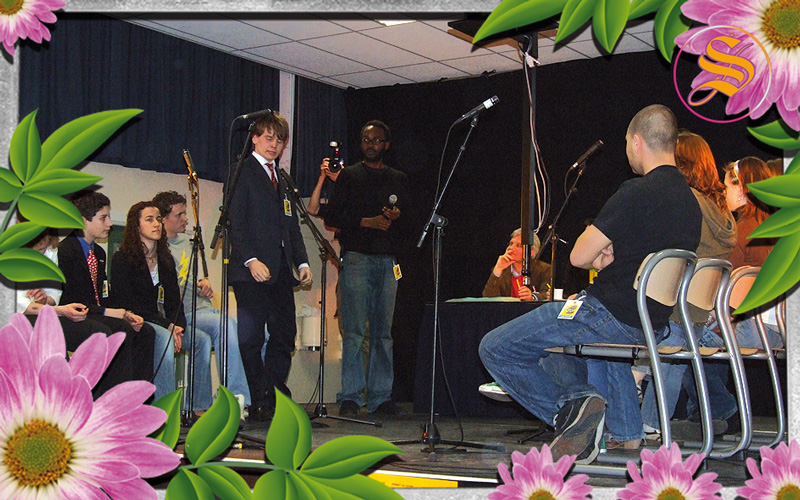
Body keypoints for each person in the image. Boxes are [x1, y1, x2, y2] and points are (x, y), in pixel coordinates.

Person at [479, 104, 702, 464]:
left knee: (495, 347)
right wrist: (610, 255)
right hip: (650, 320)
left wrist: (595, 254)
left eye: (627, 144)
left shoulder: (635, 192)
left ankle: (571, 412)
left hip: (607, 312)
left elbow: (578, 257)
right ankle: (626, 433)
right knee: (599, 346)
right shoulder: (690, 203)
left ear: (637, 141)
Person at [638, 131, 738, 437]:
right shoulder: (722, 211)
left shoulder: (686, 201)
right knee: (680, 346)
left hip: (675, 305)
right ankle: (720, 410)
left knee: (662, 348)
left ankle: (648, 424)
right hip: (700, 311)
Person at [228, 111, 312, 422]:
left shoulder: (283, 179)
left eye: (279, 140)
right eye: (268, 138)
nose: (274, 144)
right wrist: (251, 260)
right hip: (251, 272)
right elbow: (234, 224)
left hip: (280, 271)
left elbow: (292, 226)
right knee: (251, 339)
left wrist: (302, 261)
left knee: (285, 335)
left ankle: (273, 393)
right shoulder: (241, 171)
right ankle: (261, 398)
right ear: (254, 138)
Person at [324, 119, 409, 417]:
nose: (370, 145)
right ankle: (350, 396)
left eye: (376, 140)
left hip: (388, 262)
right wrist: (366, 222)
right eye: (365, 140)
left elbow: (411, 221)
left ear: (387, 144)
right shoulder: (349, 176)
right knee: (355, 332)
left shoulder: (398, 178)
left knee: (383, 334)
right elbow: (331, 217)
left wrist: (397, 216)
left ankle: (380, 397)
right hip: (357, 259)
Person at [152, 190, 251, 407]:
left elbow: (189, 279)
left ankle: (200, 405)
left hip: (204, 307)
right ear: (164, 219)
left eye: (185, 213)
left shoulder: (188, 243)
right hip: (186, 312)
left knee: (254, 332)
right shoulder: (158, 248)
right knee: (225, 325)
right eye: (179, 215)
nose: (185, 219)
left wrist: (203, 283)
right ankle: (235, 396)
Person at [110, 201, 213, 407]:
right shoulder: (122, 259)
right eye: (149, 220)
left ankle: (198, 407)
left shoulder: (166, 260)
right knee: (165, 339)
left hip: (167, 324)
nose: (156, 224)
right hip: (139, 322)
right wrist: (168, 326)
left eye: (158, 219)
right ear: (136, 226)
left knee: (201, 340)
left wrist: (179, 326)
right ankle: (165, 410)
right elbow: (128, 303)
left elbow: (175, 301)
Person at [57, 191, 155, 398]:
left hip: (95, 312)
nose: (110, 223)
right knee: (115, 331)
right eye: (103, 218)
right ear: (83, 220)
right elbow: (72, 299)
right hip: (72, 315)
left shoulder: (99, 253)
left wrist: (125, 313)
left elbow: (103, 294)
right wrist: (109, 312)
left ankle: (137, 399)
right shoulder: (66, 251)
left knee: (145, 332)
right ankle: (107, 399)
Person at [724, 157, 782, 348]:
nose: (723, 192)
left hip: (750, 329)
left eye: (726, 187)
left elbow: (723, 284)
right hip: (777, 330)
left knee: (685, 333)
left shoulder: (741, 232)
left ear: (741, 190)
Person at [483, 229, 551, 301]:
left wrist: (533, 297)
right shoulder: (501, 270)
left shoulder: (544, 269)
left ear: (531, 252)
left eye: (518, 246)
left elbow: (548, 294)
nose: (511, 248)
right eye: (511, 244)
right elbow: (488, 298)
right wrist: (497, 270)